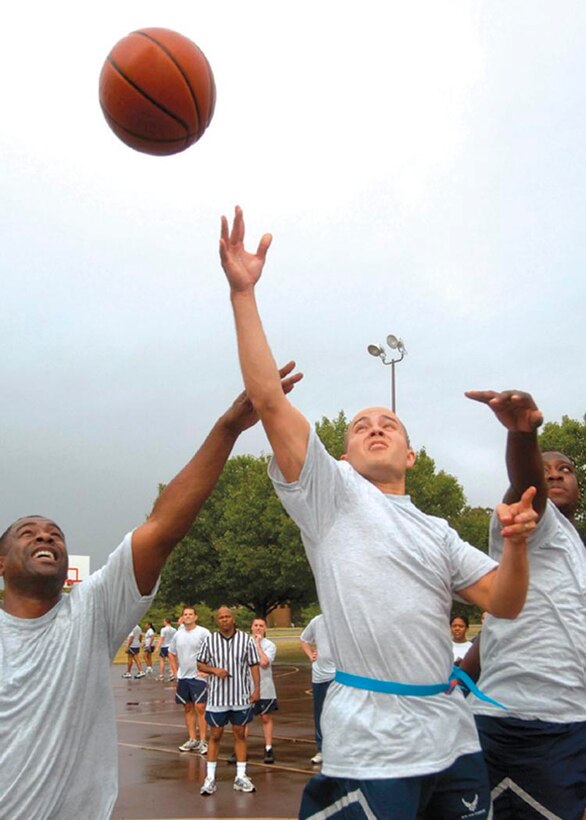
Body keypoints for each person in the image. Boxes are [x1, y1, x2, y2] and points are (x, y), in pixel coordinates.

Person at [218, 205, 539, 819]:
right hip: (370, 739)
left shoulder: (437, 530)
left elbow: (506, 601)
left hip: (451, 732)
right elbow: (267, 399)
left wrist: (517, 546)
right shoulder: (331, 493)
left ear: (411, 455)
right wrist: (243, 293)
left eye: (387, 422)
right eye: (361, 425)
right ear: (340, 453)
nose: (374, 426)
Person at [0, 368, 301, 820]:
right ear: (1, 564)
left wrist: (227, 429)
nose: (46, 538)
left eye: (54, 534)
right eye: (28, 533)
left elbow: (160, 529)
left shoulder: (92, 610)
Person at [463, 389, 586, 820]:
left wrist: (459, 676)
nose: (555, 475)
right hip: (518, 723)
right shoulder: (528, 522)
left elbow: (499, 626)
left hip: (570, 720)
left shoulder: (576, 551)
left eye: (566, 469)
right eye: (547, 468)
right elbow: (525, 484)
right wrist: (522, 436)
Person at [197, 606, 261, 796]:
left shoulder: (246, 640)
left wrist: (257, 689)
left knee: (240, 734)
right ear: (217, 621)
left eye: (227, 616)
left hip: (240, 696)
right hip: (217, 697)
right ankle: (210, 778)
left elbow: (254, 665)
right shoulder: (210, 641)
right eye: (221, 617)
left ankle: (241, 776)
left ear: (233, 619)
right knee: (215, 735)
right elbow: (200, 663)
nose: (225, 619)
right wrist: (214, 670)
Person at [168, 606, 211, 754]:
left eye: (190, 614)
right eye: (185, 614)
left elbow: (213, 651)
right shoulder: (177, 635)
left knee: (200, 707)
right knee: (188, 707)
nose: (188, 616)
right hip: (184, 677)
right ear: (182, 617)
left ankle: (204, 741)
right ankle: (193, 739)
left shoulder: (203, 632)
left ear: (195, 617)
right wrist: (175, 673)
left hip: (198, 676)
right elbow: (171, 653)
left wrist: (208, 670)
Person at [300, 613, 335, 765]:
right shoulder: (317, 621)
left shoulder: (343, 618)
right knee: (320, 713)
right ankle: (321, 749)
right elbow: (303, 639)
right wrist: (310, 655)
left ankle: (340, 749)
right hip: (320, 675)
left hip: (339, 675)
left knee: (340, 713)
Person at [250, 616, 278, 764]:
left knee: (265, 717)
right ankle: (240, 748)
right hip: (247, 686)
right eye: (256, 625)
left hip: (265, 686)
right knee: (243, 719)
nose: (258, 628)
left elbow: (264, 662)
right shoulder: (244, 644)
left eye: (261, 625)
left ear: (265, 628)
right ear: (251, 627)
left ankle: (268, 747)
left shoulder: (270, 645)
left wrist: (258, 645)